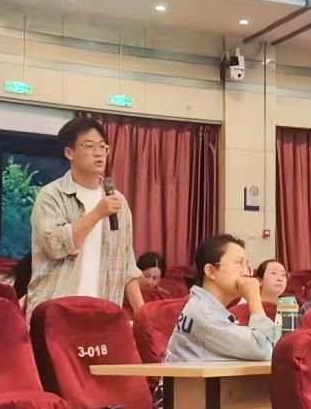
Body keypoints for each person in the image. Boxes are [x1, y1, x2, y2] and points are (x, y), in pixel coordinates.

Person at [27, 116, 144, 320]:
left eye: (103, 147)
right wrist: (97, 214)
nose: (99, 153)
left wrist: (143, 314)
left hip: (104, 315)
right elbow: (54, 245)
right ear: (69, 152)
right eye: (89, 146)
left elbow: (126, 265)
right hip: (56, 315)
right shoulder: (51, 196)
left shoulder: (118, 201)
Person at [164, 234, 281, 362]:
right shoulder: (204, 313)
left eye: (247, 265)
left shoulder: (204, 306)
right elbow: (264, 350)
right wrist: (254, 298)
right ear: (210, 271)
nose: (246, 273)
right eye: (239, 264)